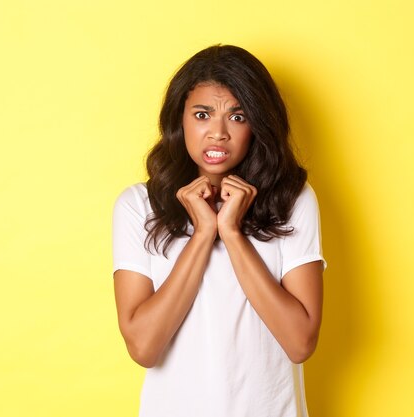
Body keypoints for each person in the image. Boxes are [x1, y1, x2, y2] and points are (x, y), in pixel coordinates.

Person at [112, 44, 326, 417]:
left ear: (258, 124)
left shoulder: (292, 199)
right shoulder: (138, 206)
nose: (218, 133)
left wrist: (231, 232)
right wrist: (201, 235)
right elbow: (144, 348)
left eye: (238, 117)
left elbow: (300, 342)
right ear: (180, 120)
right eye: (202, 114)